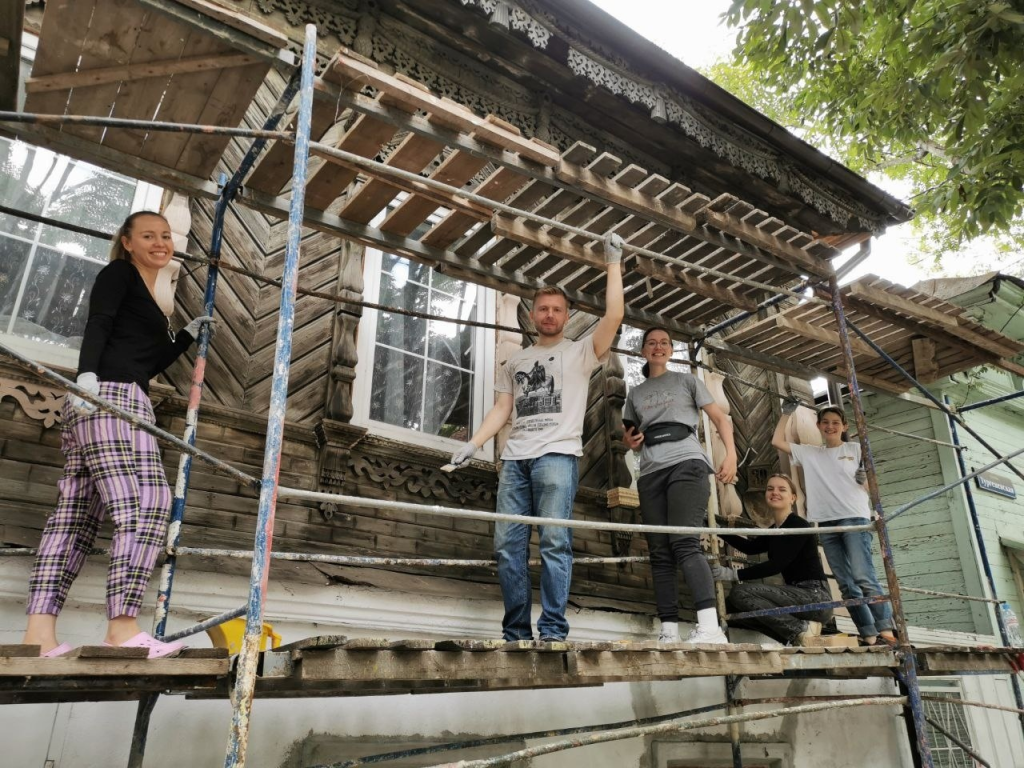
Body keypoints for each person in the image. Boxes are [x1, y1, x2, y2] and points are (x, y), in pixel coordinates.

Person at [22, 211, 213, 659]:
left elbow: (142, 363)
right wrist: (86, 377)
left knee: (76, 516)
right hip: (109, 396)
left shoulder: (148, 294)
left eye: (165, 235)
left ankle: (38, 635)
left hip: (116, 393)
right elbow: (98, 323)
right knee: (147, 502)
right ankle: (123, 628)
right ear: (127, 242)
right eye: (148, 235)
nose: (160, 242)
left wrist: (183, 338)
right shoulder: (118, 273)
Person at [449, 233, 625, 641]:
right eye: (542, 308)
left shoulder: (582, 352)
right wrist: (473, 444)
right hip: (514, 461)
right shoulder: (515, 361)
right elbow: (501, 409)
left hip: (557, 457)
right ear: (532, 315)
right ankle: (515, 633)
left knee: (553, 543)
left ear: (566, 315)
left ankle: (552, 630)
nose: (549, 314)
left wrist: (612, 263)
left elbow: (613, 317)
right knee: (508, 548)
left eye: (556, 309)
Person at [622, 327, 737, 644]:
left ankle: (710, 629)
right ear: (643, 351)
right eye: (651, 343)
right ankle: (669, 631)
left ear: (671, 350)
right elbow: (629, 438)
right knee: (659, 552)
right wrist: (631, 439)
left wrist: (731, 456)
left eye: (664, 343)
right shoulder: (636, 394)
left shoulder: (687, 381)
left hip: (686, 462)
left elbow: (720, 418)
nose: (658, 347)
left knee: (684, 542)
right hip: (650, 471)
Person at [771, 404, 896, 646]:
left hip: (854, 517)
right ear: (818, 426)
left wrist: (864, 482)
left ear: (844, 426)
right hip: (826, 522)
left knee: (863, 576)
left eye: (835, 422)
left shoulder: (856, 449)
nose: (830, 426)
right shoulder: (810, 453)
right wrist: (786, 412)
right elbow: (777, 441)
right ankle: (869, 634)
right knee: (846, 584)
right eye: (825, 422)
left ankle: (887, 630)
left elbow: (873, 489)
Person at [712, 474, 833, 646]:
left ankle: (799, 630)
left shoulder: (798, 525)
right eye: (770, 489)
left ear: (792, 498)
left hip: (815, 596)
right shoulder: (776, 529)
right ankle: (796, 637)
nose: (774, 492)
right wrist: (716, 529)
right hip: (797, 594)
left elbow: (777, 565)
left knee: (741, 593)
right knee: (733, 608)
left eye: (781, 489)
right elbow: (750, 548)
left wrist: (732, 574)